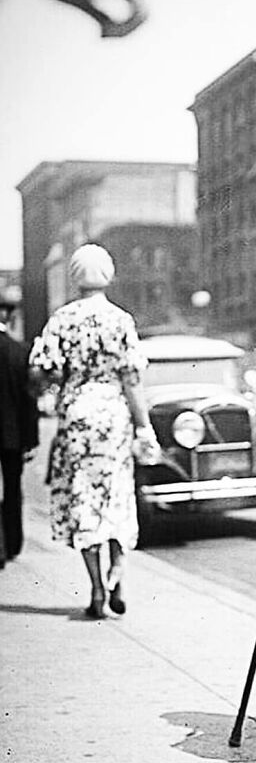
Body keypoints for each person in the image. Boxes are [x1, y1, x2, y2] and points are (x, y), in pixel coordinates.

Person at [28, 244, 157, 618]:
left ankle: (97, 589)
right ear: (109, 274)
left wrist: (63, 380)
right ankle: (119, 571)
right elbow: (132, 379)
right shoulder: (120, 320)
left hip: (76, 413)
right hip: (113, 413)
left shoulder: (61, 319)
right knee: (116, 493)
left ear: (73, 275)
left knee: (84, 498)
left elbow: (41, 370)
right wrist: (143, 425)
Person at [0, 292, 39, 568]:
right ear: (9, 317)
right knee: (13, 489)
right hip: (12, 436)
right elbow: (29, 401)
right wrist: (31, 439)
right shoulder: (21, 352)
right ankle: (12, 543)